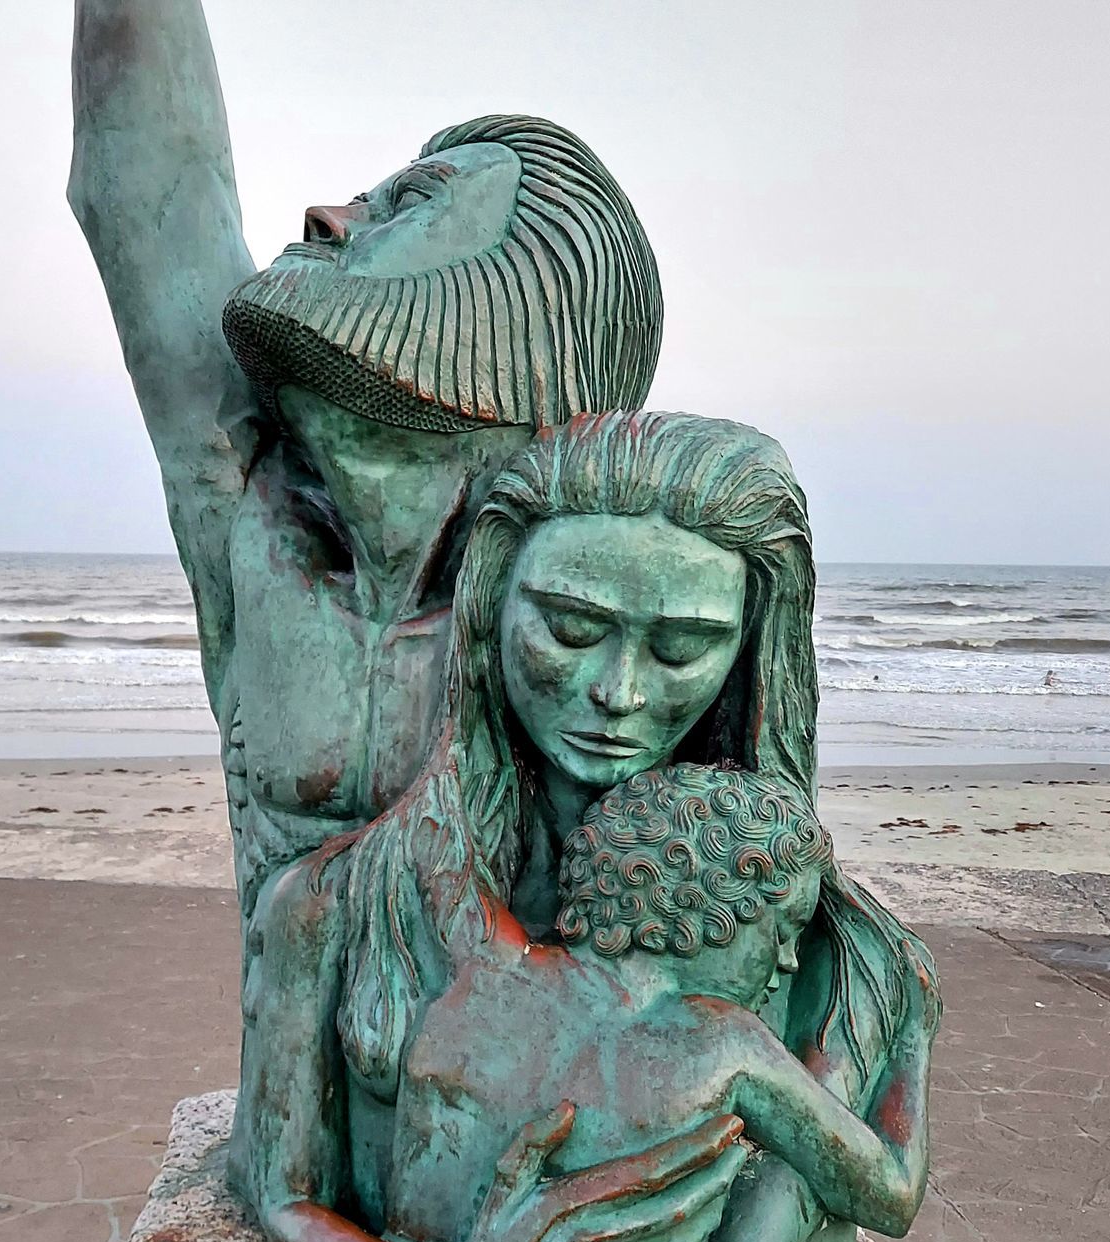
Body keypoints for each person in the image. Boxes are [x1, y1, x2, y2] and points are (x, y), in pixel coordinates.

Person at [236, 411, 939, 1242]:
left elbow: (826, 1203)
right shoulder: (328, 907)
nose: (618, 691)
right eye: (569, 630)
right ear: (490, 611)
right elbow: (281, 1196)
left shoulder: (818, 940)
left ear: (750, 649)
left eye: (684, 648)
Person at [68, 1, 663, 925]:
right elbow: (148, 182)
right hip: (282, 1063)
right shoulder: (251, 511)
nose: (329, 216)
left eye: (408, 204)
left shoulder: (590, 612)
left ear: (520, 309)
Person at [387, 765, 932, 1242]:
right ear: (714, 909)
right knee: (803, 1177)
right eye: (783, 928)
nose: (789, 960)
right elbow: (893, 1196)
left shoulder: (481, 970)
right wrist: (913, 1036)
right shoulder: (723, 1042)